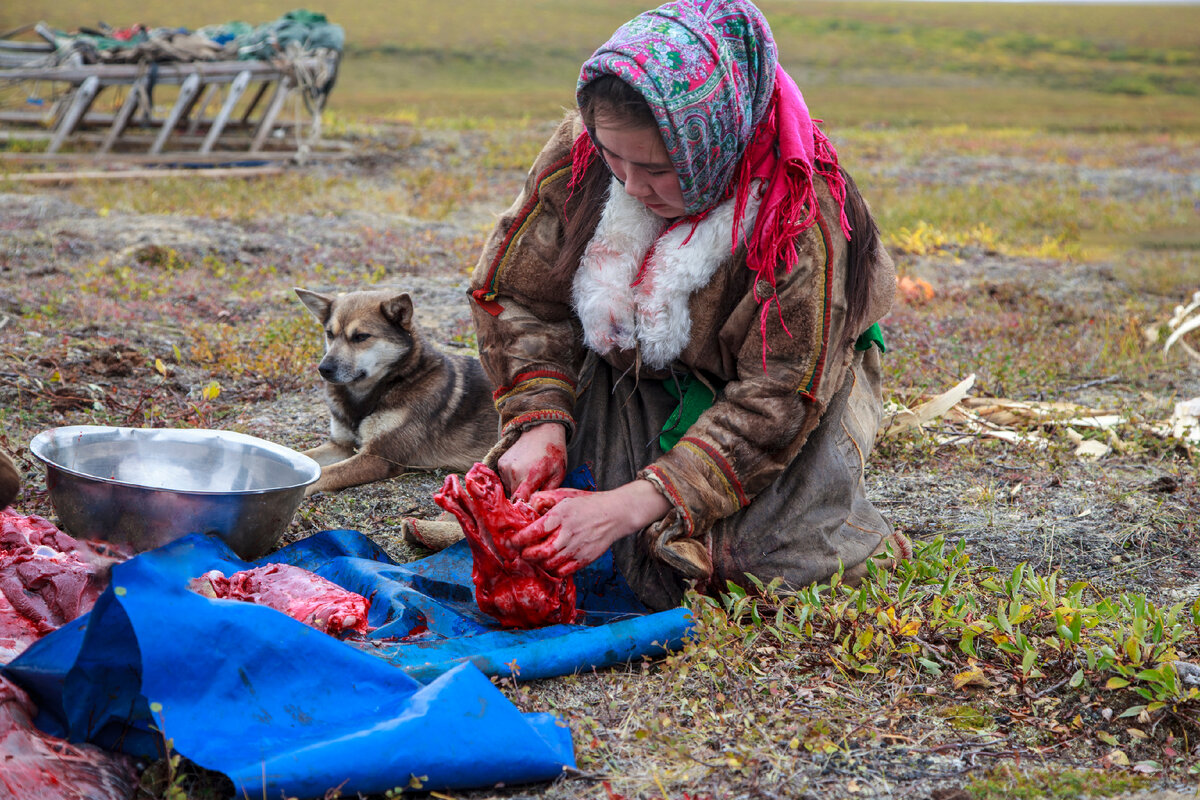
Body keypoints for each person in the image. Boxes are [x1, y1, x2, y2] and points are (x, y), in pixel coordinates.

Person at [467, 0, 907, 611]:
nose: (628, 184)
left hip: (783, 391)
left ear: (712, 141)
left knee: (755, 566)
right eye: (613, 157)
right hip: (634, 367)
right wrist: (540, 421)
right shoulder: (587, 155)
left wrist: (627, 505)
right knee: (541, 518)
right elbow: (517, 294)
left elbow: (777, 397)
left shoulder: (800, 218)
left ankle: (835, 527)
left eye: (656, 169)